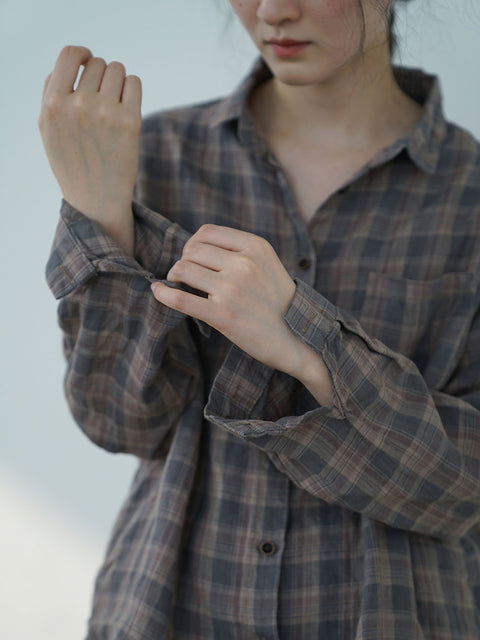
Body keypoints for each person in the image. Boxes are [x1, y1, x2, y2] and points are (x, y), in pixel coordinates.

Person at [39, 1, 480, 638]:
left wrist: (307, 342)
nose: (273, 10)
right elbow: (118, 421)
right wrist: (99, 212)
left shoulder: (467, 197)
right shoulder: (151, 154)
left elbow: (466, 489)